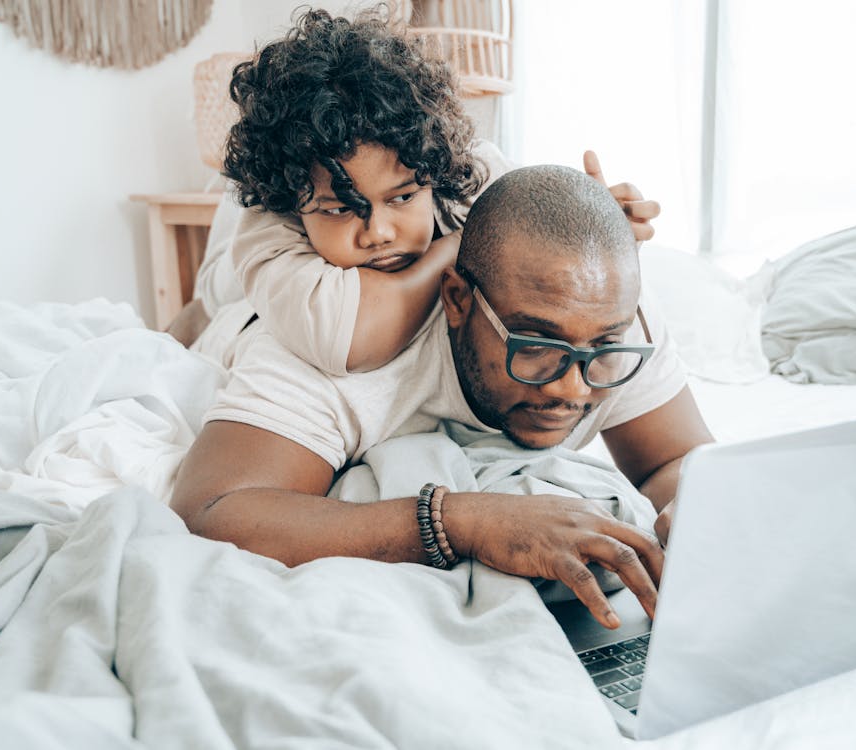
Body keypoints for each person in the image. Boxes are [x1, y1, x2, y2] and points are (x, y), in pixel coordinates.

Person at [172, 165, 713, 630]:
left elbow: (673, 458)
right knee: (219, 293)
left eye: (601, 349)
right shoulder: (334, 352)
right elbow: (212, 510)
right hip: (240, 323)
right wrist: (466, 522)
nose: (571, 388)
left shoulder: (611, 316)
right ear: (457, 300)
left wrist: (689, 509)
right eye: (534, 346)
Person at [169, 8, 659, 373]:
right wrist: (454, 247)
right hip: (239, 299)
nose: (378, 233)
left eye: (402, 197)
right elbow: (349, 342)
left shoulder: (463, 169)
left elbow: (538, 226)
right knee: (212, 304)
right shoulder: (268, 220)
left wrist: (599, 220)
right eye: (341, 209)